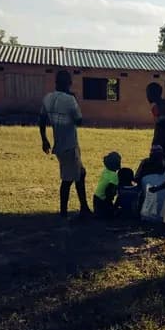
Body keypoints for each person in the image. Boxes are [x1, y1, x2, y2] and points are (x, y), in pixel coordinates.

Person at [39, 69, 91, 218]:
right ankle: (64, 213)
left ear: (56, 83)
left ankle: (84, 208)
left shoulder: (47, 98)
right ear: (69, 83)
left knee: (80, 173)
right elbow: (79, 121)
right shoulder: (70, 100)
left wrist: (44, 139)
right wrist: (75, 101)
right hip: (70, 144)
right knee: (69, 180)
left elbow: (41, 120)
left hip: (59, 144)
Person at [92, 151, 122, 219]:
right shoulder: (114, 176)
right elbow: (109, 191)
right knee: (111, 215)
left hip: (96, 197)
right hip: (103, 200)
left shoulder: (105, 171)